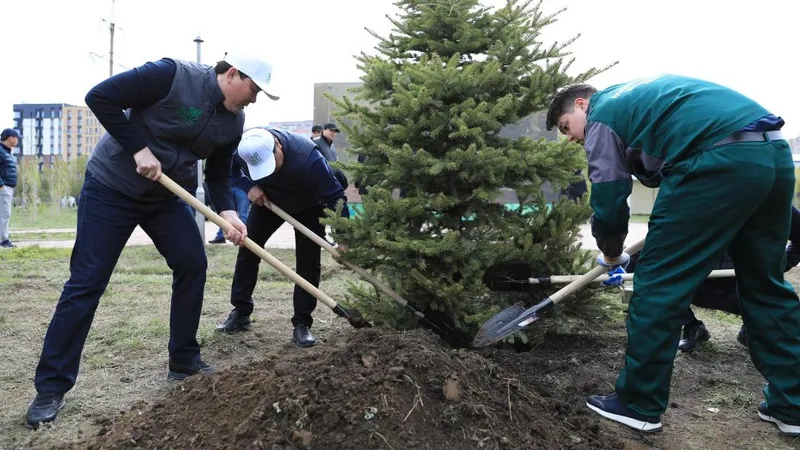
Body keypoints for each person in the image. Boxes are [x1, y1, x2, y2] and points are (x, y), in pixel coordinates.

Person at [25, 51, 278, 429]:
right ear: (233, 74)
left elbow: (219, 175)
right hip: (113, 186)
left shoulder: (234, 120)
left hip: (165, 196)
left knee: (193, 263)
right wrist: (138, 148)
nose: (253, 99)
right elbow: (100, 97)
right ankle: (51, 387)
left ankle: (184, 359)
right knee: (87, 282)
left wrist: (227, 213)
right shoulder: (170, 75)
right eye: (253, 89)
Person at [546, 74, 800, 436]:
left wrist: (612, 252)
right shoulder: (642, 99)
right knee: (765, 285)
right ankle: (792, 406)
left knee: (657, 287)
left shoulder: (603, 115)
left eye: (566, 125)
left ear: (583, 105)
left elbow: (609, 196)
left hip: (715, 162)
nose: (571, 138)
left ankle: (638, 404)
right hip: (771, 156)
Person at [215, 126, 349, 348]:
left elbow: (335, 198)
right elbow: (227, 173)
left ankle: (302, 322)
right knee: (249, 247)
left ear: (278, 146)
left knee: (308, 260)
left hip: (308, 205)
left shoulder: (308, 158)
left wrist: (344, 239)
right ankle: (241, 311)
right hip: (268, 201)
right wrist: (248, 187)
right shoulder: (243, 150)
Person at [618, 205, 800, 352]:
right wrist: (623, 268)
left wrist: (776, 267)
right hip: (697, 285)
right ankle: (691, 326)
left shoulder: (769, 199)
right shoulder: (694, 200)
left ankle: (753, 329)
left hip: (745, 286)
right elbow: (654, 246)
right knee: (657, 283)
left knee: (781, 305)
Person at [209, 156, 251, 244]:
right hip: (228, 187)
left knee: (243, 214)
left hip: (241, 188)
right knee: (226, 213)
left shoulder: (244, 150)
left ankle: (243, 237)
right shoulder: (230, 150)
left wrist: (249, 187)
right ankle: (220, 236)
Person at [0, 128, 21, 248]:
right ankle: (4, 240)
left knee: (3, 214)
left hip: (7, 187)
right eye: (16, 137)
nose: (18, 140)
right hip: (3, 188)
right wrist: (1, 185)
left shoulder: (5, 151)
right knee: (5, 214)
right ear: (10, 138)